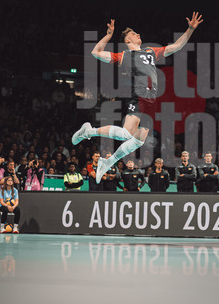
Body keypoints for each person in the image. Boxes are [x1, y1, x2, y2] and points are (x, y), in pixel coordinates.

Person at [71, 12, 204, 181]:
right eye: (134, 33)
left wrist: (190, 29)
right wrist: (108, 36)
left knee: (139, 141)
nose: (138, 34)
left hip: (152, 99)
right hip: (140, 95)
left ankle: (107, 162)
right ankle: (89, 131)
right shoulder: (124, 56)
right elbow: (96, 52)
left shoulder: (151, 51)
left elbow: (176, 46)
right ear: (127, 41)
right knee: (126, 134)